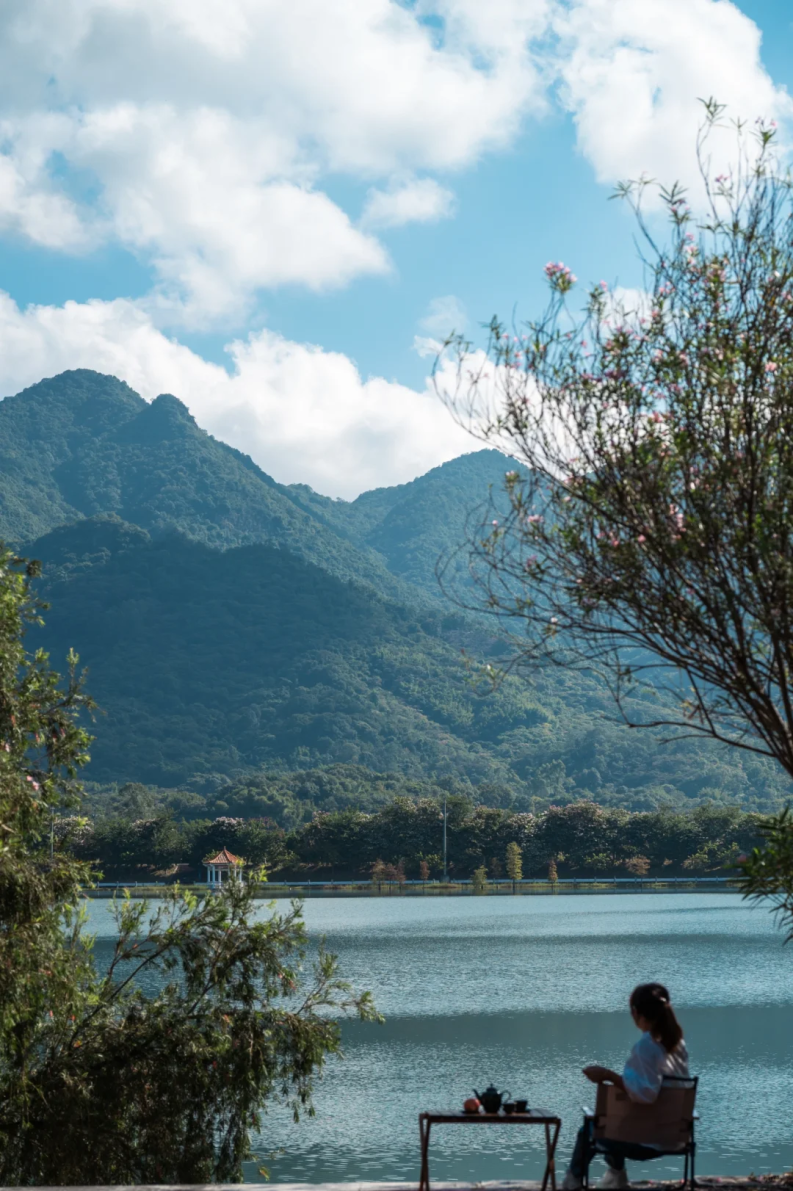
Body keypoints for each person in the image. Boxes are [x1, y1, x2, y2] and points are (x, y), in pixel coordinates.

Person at [561, 982, 689, 1191]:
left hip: (646, 1141)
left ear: (636, 1012)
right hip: (676, 1137)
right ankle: (615, 1176)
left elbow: (646, 1094)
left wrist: (607, 1075)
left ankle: (573, 1181)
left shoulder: (647, 1047)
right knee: (613, 1120)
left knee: (591, 1128)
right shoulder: (677, 1045)